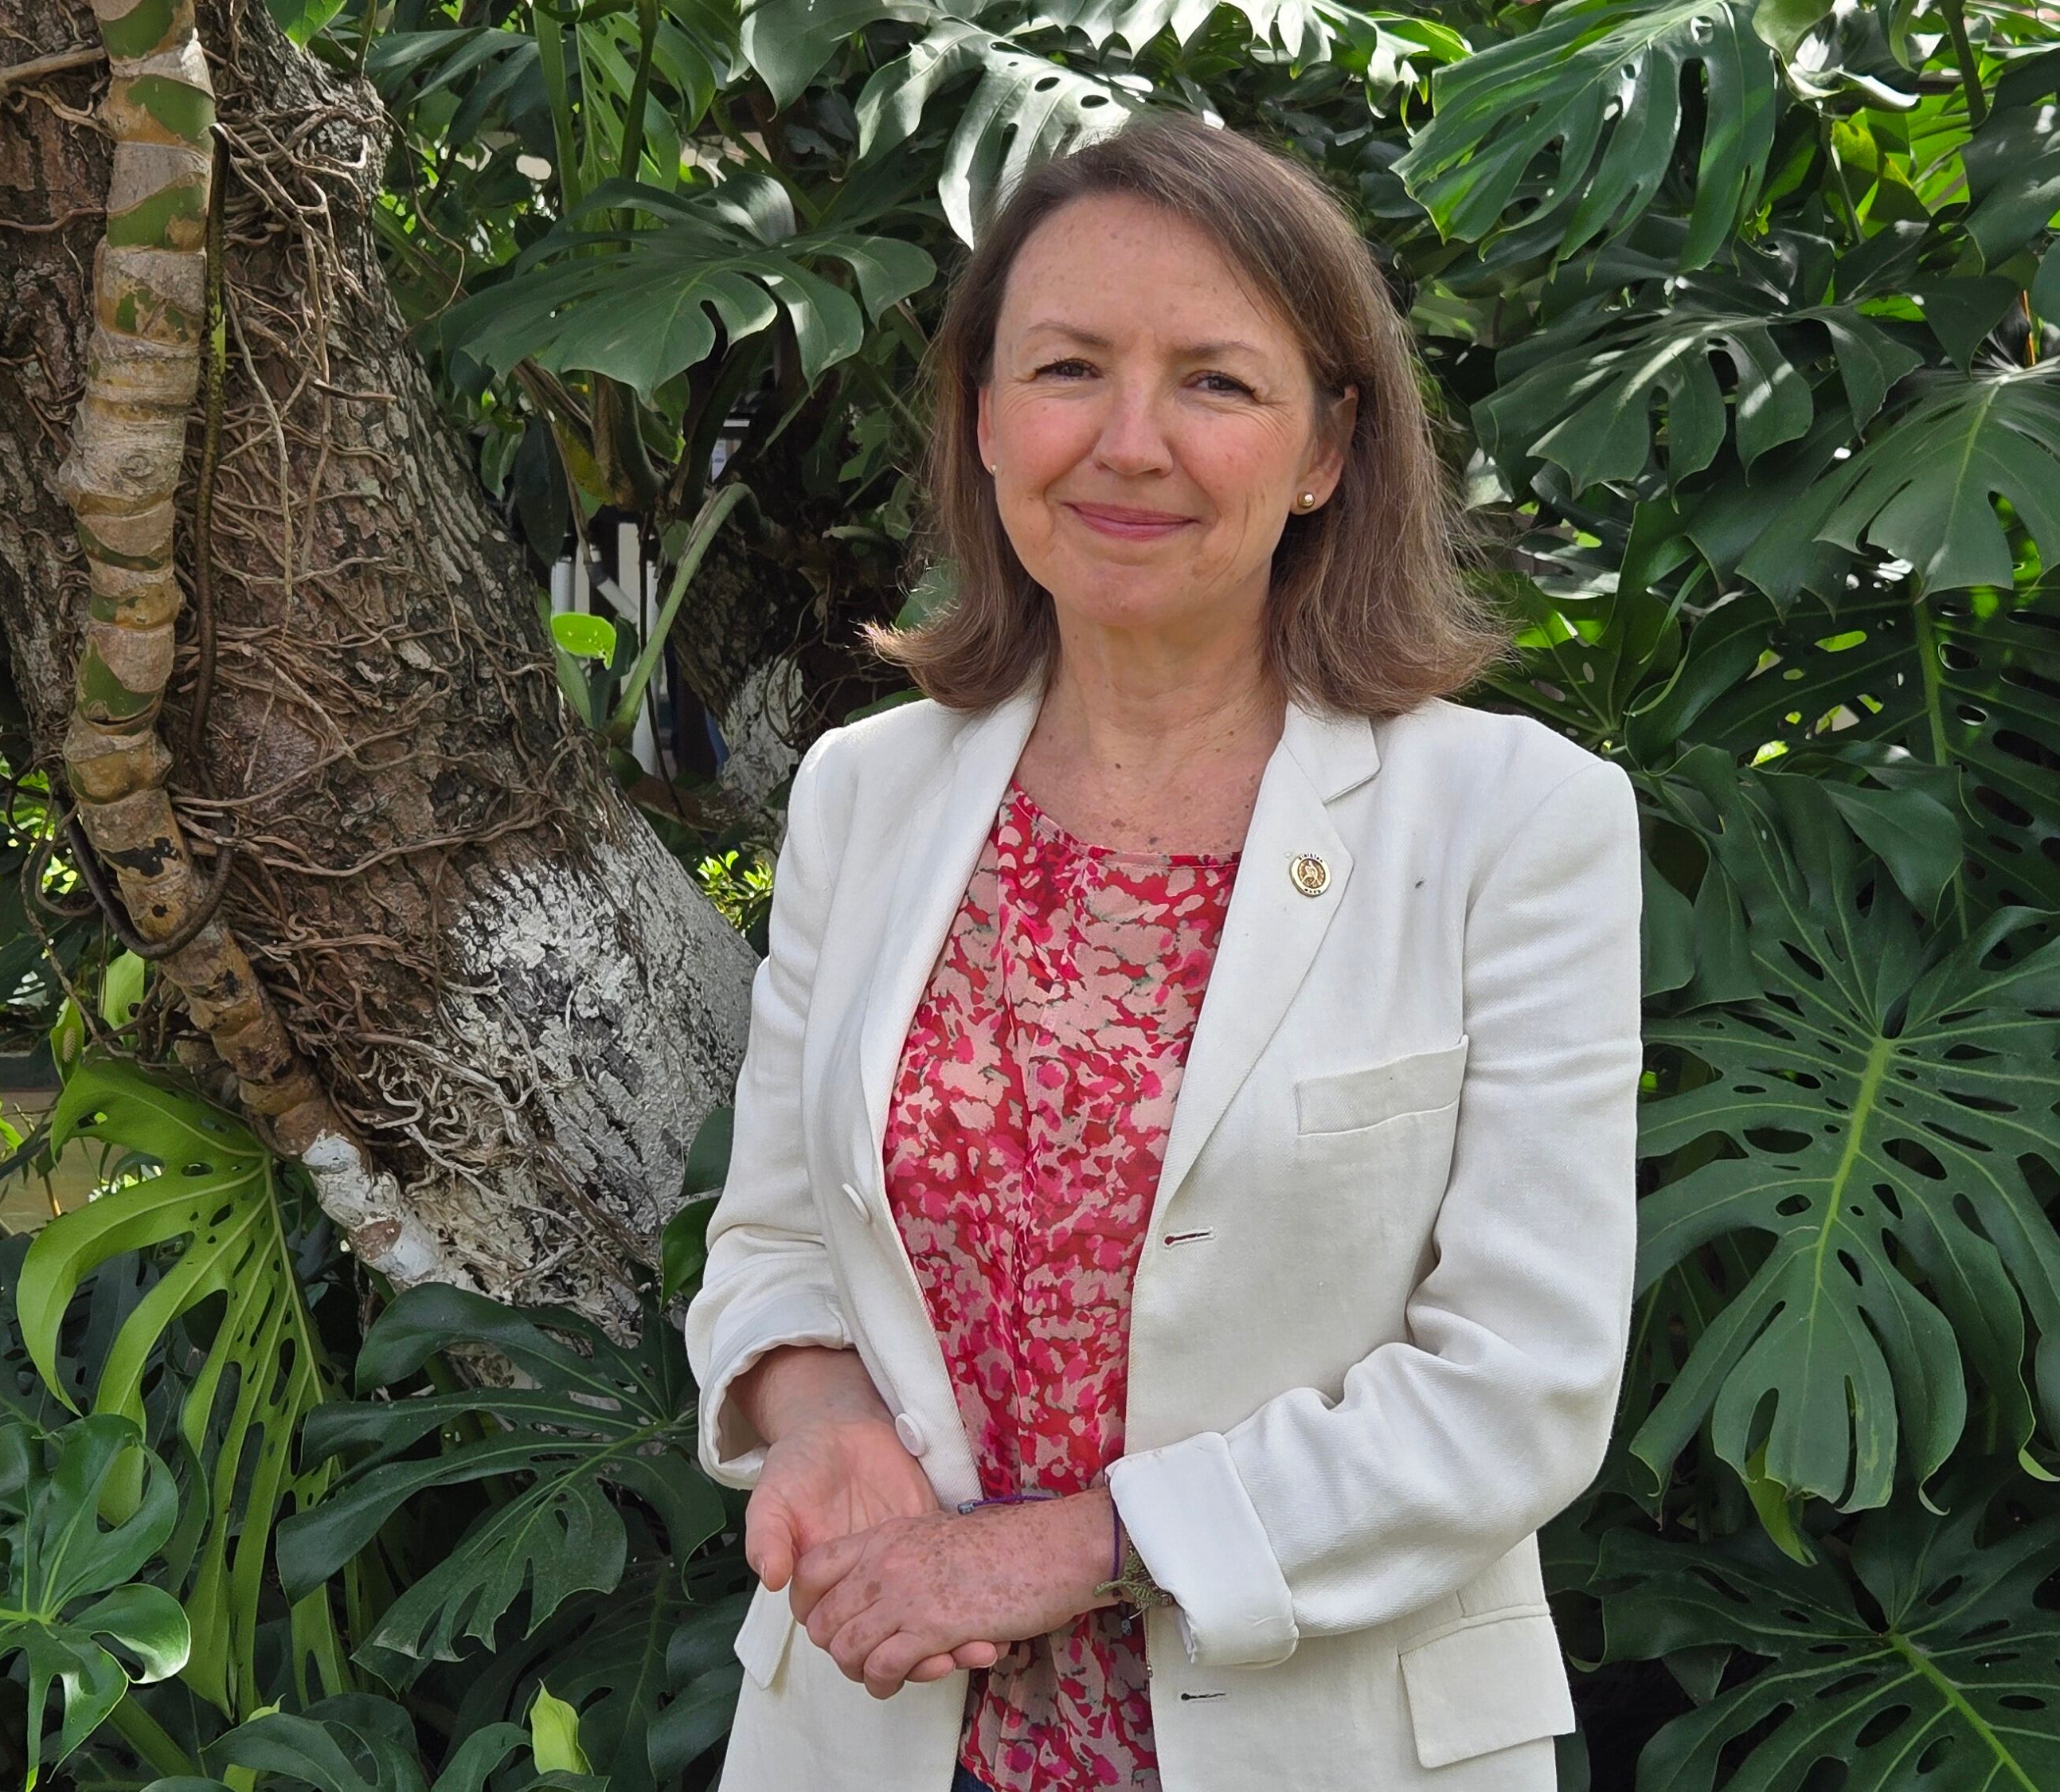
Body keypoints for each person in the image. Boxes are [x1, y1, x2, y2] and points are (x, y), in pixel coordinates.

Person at [682, 113, 1643, 1792]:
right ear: (984, 417)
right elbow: (771, 1238)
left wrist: (1062, 1548)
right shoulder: (865, 792)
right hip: (879, 1734)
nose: (1127, 443)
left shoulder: (1515, 825)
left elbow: (1521, 1389)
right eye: (1065, 369)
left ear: (1328, 445)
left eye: (1213, 381)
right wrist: (821, 1426)